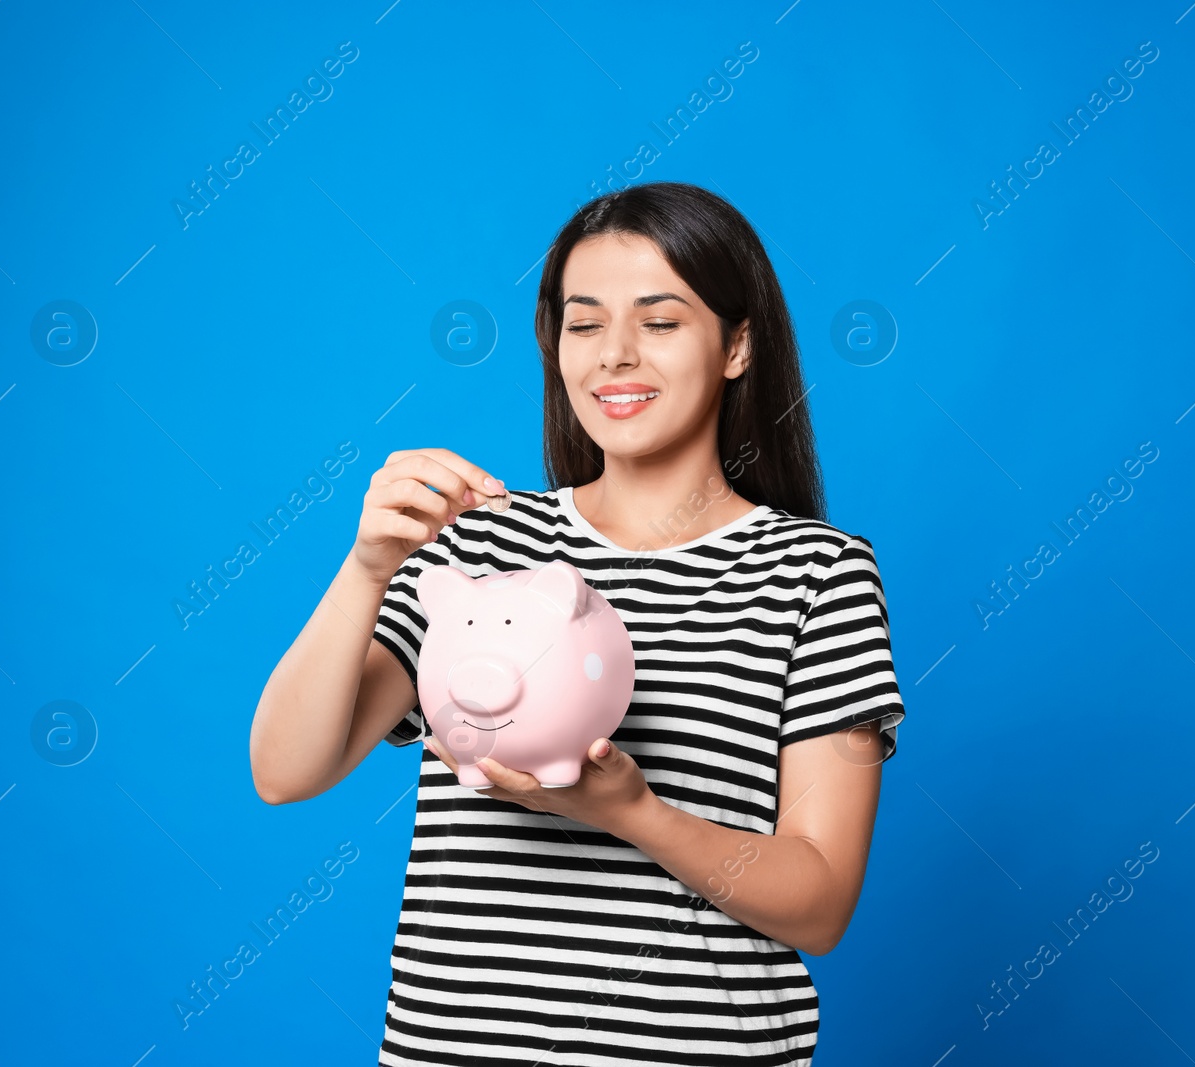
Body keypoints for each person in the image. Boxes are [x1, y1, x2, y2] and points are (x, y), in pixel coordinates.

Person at [250, 181, 907, 1066]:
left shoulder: (818, 573)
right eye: (584, 322)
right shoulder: (481, 543)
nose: (615, 356)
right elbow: (285, 770)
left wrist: (631, 812)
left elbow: (820, 899)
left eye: (661, 321)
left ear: (738, 344)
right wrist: (367, 567)